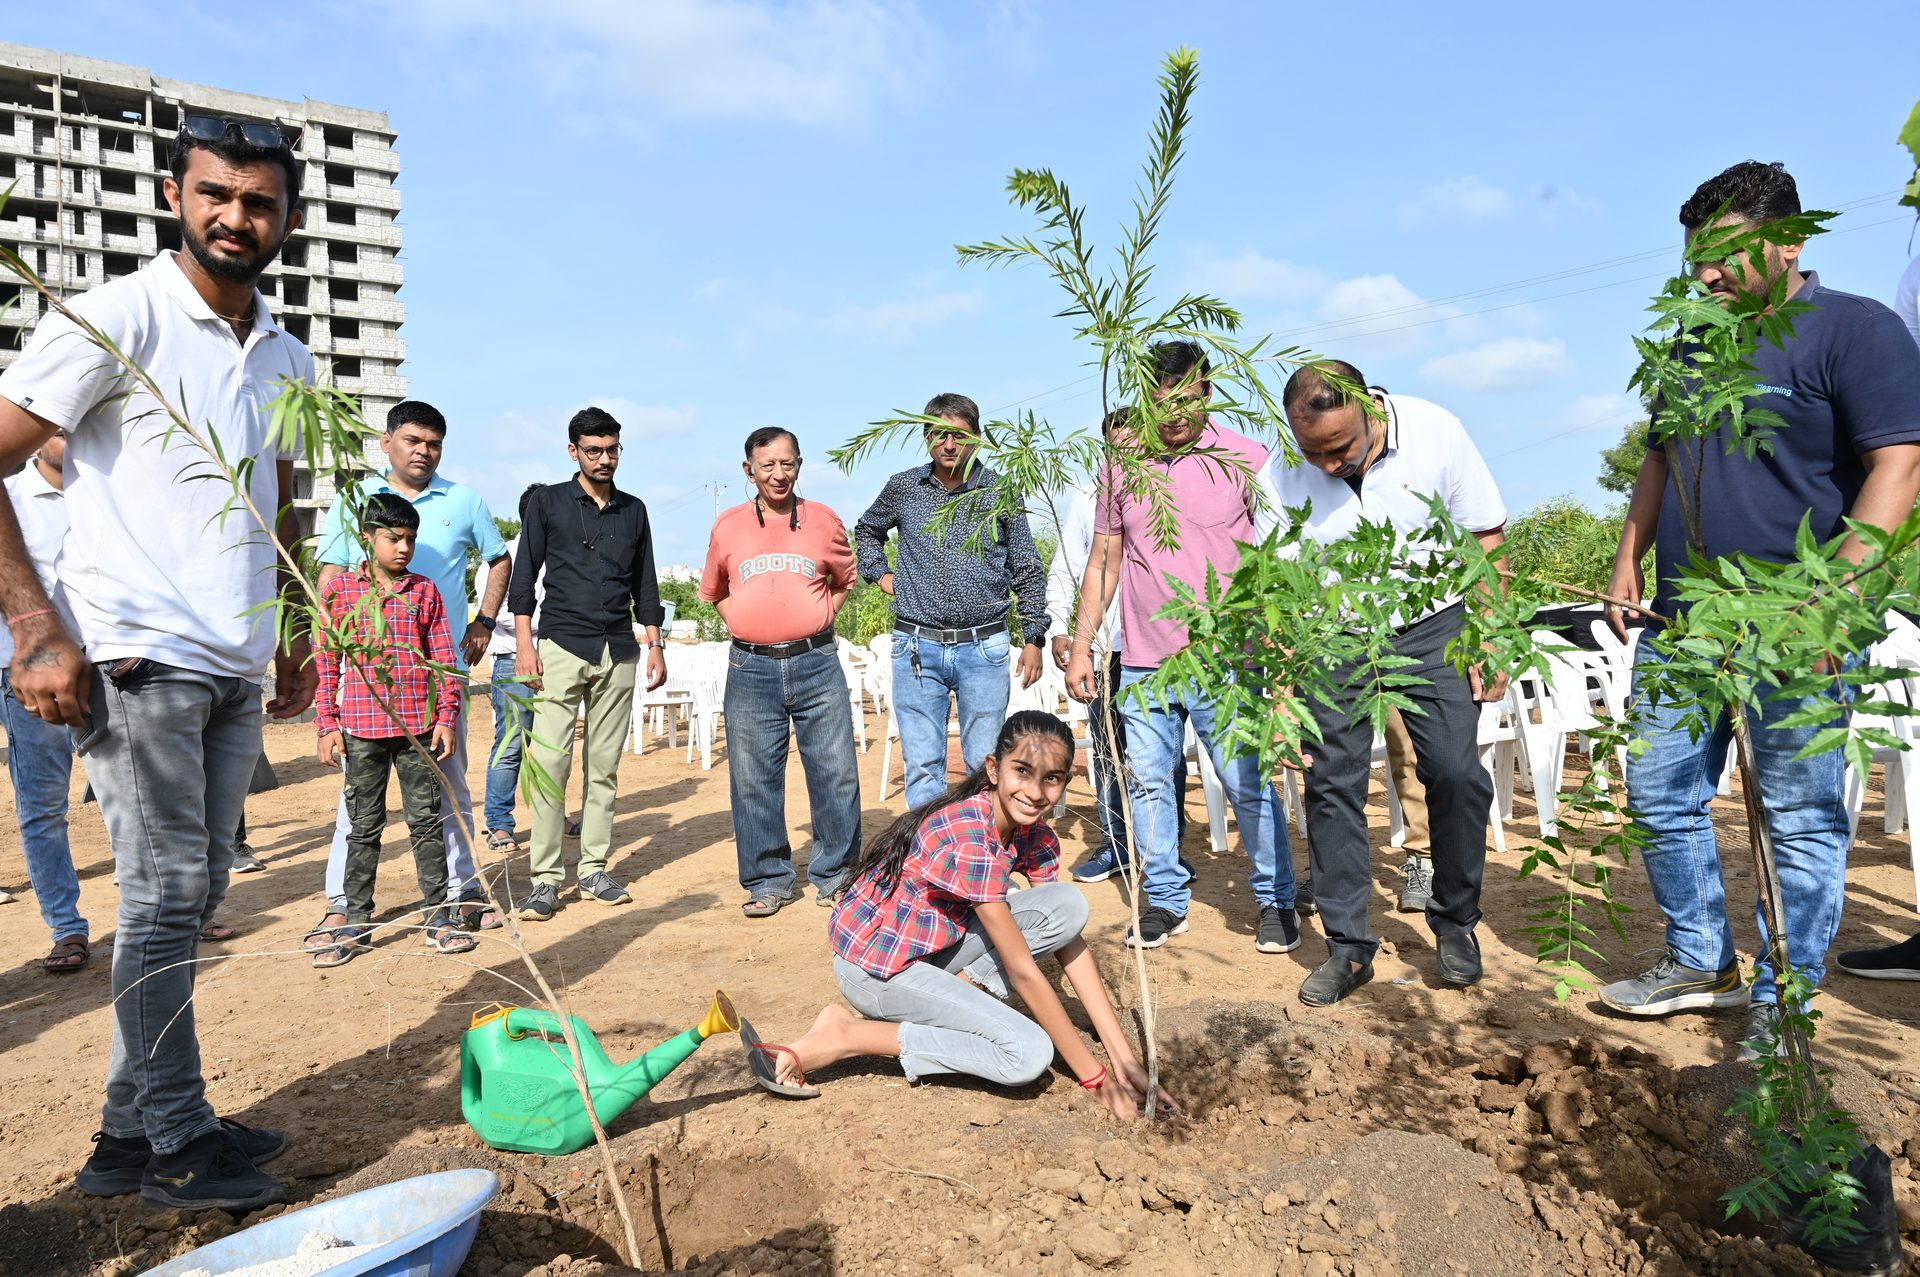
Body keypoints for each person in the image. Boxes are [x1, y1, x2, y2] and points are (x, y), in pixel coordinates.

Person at [0, 113, 315, 1210]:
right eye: (216, 192)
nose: (237, 216)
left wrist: (292, 631)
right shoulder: (117, 315)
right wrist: (36, 627)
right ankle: (182, 1141)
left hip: (232, 663)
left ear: (288, 216)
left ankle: (127, 1139)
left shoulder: (289, 352)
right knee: (168, 890)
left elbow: (280, 494)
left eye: (260, 200)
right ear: (177, 194)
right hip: (136, 654)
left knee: (196, 889)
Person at [1598, 161, 1920, 1053]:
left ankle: (1787, 999)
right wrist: (1629, 556)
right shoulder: (1690, 339)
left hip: (1796, 620)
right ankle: (1702, 960)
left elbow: (1899, 465)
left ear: (1789, 240)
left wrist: (1829, 605)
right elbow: (1659, 457)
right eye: (1695, 259)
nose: (1703, 277)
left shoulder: (1856, 330)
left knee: (1798, 814)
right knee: (1659, 790)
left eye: (1724, 257)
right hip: (1683, 619)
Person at [764, 711, 1177, 1120]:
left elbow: (1066, 937)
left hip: (927, 949)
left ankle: (955, 995)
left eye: (1051, 778)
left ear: (1066, 783)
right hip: (877, 971)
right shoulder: (969, 836)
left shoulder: (1034, 833)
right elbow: (1024, 973)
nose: (1034, 792)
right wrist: (1097, 1080)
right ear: (994, 770)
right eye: (1022, 771)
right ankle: (849, 1035)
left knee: (1068, 903)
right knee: (1027, 1054)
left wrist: (1124, 1061)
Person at [1257, 361, 1509, 1006]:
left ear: (1372, 407)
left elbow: (1484, 538)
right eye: (1312, 453)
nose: (1329, 465)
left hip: (1433, 623)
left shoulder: (1436, 431)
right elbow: (1276, 590)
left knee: (1455, 772)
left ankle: (1455, 922)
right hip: (1331, 634)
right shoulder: (1281, 473)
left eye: (1340, 448)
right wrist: (1284, 694)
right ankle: (1348, 948)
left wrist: (1491, 635)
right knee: (1330, 780)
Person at [1064, 342, 1299, 954]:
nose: (1171, 416)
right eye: (1157, 402)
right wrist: (1084, 644)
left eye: (1185, 402)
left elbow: (1274, 562)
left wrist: (1278, 660)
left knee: (1247, 782)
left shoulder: (1248, 458)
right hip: (1144, 661)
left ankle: (1275, 900)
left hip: (1230, 660)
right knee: (1146, 782)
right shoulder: (1123, 465)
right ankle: (1166, 899)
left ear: (1208, 394)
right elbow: (1103, 562)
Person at [308, 401, 510, 942]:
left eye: (433, 443)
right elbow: (329, 574)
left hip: (436, 672)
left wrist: (484, 622)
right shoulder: (357, 502)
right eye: (413, 440)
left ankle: (462, 892)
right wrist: (327, 648)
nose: (423, 451)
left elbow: (499, 557)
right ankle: (342, 904)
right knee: (359, 802)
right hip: (368, 683)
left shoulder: (463, 499)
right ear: (387, 441)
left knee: (449, 785)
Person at [511, 406, 668, 920]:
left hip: (618, 651)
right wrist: (526, 645)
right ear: (573, 450)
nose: (605, 459)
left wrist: (655, 642)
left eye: (612, 450)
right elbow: (524, 575)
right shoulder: (548, 503)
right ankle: (545, 880)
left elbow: (645, 580)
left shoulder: (634, 509)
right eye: (594, 450)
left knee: (603, 768)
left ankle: (595, 868)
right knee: (550, 764)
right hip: (559, 646)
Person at [856, 394, 1048, 806]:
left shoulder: (999, 491)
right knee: (924, 765)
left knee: (985, 765)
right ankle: (930, 857)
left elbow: (1027, 565)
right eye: (938, 434)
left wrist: (1034, 637)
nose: (948, 445)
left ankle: (978, 854)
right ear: (926, 437)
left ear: (977, 438)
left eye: (958, 435)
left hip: (985, 648)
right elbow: (867, 530)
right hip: (916, 647)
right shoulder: (905, 487)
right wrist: (882, 576)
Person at [309, 493, 476, 967]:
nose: (403, 548)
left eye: (410, 539)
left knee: (426, 822)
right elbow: (328, 662)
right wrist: (327, 723)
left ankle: (438, 916)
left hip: (417, 729)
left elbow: (444, 659)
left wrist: (446, 718)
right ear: (367, 538)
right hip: (361, 729)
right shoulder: (340, 591)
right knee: (363, 827)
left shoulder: (424, 591)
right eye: (393, 538)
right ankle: (356, 920)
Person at [700, 427, 861, 917]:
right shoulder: (727, 526)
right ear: (749, 471)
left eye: (787, 463)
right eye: (767, 465)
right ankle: (768, 879)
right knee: (753, 778)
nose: (778, 474)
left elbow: (845, 579)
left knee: (835, 771)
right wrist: (748, 628)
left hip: (816, 663)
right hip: (751, 668)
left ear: (800, 465)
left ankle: (836, 874)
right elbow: (714, 592)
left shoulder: (823, 520)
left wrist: (818, 618)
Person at [1045, 408, 1188, 884]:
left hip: (1162, 645)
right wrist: (1061, 629)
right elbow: (1069, 565)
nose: (1124, 451)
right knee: (1108, 750)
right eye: (1115, 444)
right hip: (1107, 648)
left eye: (1133, 441)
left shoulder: (1169, 489)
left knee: (1162, 756)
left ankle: (1169, 848)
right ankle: (1117, 846)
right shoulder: (1089, 498)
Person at [0, 429, 89, 972]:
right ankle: (67, 928)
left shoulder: (103, 493)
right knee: (43, 805)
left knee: (140, 798)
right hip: (27, 669)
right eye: (52, 423)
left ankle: (175, 916)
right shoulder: (10, 498)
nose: (63, 432)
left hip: (100, 664)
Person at [482, 484, 546, 851]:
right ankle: (499, 824)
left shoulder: (561, 556)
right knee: (511, 745)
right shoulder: (503, 556)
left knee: (552, 746)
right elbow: (496, 612)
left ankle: (552, 815)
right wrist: (543, 626)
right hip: (513, 664)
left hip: (556, 660)